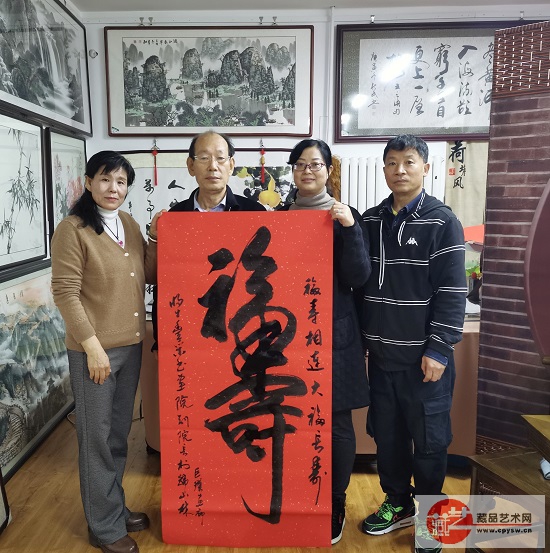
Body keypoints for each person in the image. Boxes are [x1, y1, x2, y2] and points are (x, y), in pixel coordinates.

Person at [358, 135, 466, 553]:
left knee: (429, 442)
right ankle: (398, 502)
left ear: (425, 167)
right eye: (391, 162)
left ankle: (431, 517)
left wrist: (439, 349)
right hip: (381, 358)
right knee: (387, 437)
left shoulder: (441, 221)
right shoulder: (370, 221)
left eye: (408, 161)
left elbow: (452, 292)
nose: (399, 170)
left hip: (424, 362)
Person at [51, 151, 162, 553]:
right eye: (104, 179)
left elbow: (148, 275)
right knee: (96, 439)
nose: (113, 188)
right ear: (88, 182)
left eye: (121, 182)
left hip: (130, 346)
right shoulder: (73, 229)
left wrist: (155, 238)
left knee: (116, 435)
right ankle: (103, 526)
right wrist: (92, 347)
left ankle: (113, 508)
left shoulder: (127, 223)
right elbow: (65, 292)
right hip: (94, 352)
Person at [278, 139, 371, 545]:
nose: (307, 171)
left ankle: (335, 499)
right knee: (291, 416)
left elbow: (358, 277)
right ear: (293, 170)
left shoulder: (345, 215)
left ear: (328, 169)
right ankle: (301, 492)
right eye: (300, 164)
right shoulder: (279, 217)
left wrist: (349, 229)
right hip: (287, 337)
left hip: (334, 334)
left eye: (315, 164)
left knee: (336, 422)